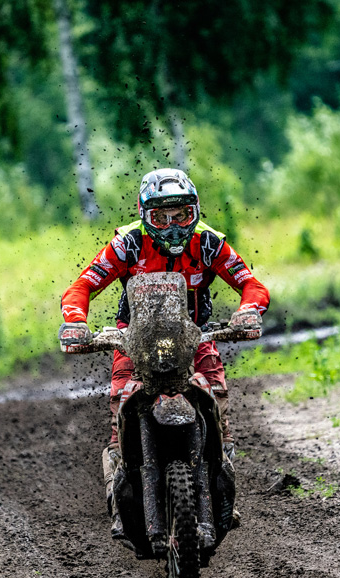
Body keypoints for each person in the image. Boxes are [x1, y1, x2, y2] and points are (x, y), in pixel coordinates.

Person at [58, 168, 270, 540]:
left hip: (196, 335)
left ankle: (222, 487)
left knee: (217, 399)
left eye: (181, 215)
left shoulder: (208, 243)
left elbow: (250, 284)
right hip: (134, 337)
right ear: (144, 215)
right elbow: (82, 287)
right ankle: (118, 486)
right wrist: (76, 322)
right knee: (120, 405)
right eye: (161, 217)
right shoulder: (128, 244)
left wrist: (248, 310)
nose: (172, 226)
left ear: (196, 212)